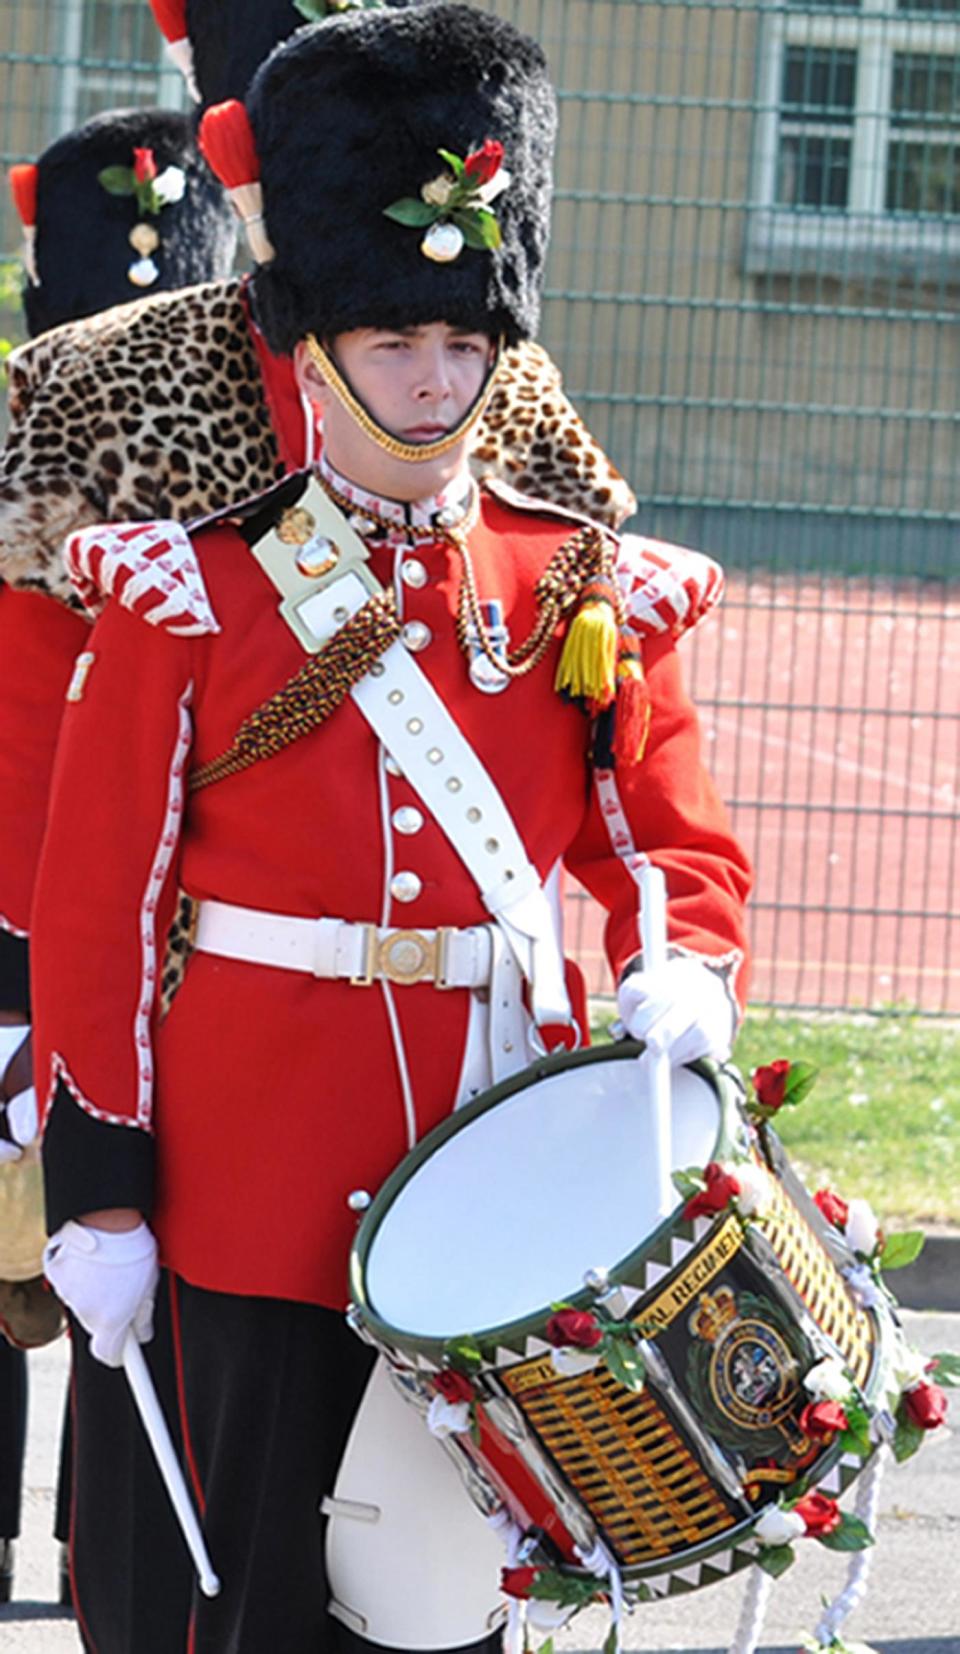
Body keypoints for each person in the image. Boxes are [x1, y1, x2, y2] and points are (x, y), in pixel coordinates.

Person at [33, 7, 751, 1653]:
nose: (434, 381)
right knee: (226, 1602)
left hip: (491, 1176)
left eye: (460, 341)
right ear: (312, 341)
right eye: (392, 342)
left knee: (450, 1608)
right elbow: (100, 908)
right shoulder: (192, 588)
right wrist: (107, 1191)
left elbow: (663, 846)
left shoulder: (579, 582)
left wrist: (683, 967)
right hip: (244, 1178)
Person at [0, 104, 236, 1609]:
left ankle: (91, 1553)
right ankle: (101, 1553)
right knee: (101, 1253)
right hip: (115, 915)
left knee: (96, 1253)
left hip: (105, 917)